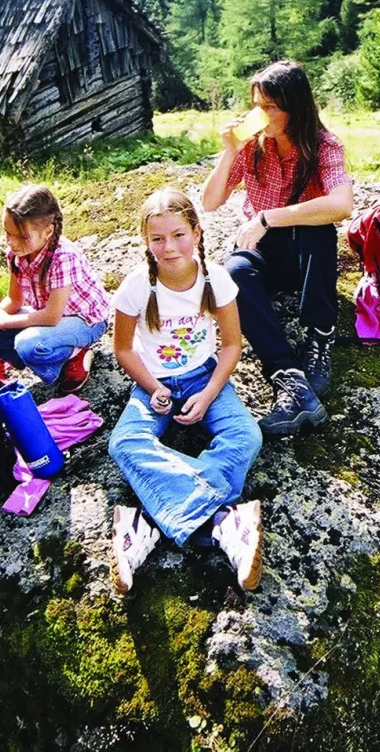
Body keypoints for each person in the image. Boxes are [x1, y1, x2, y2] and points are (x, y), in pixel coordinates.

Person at [107, 187, 263, 594]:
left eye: (178, 234)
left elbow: (232, 345)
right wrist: (153, 387)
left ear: (196, 231)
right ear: (146, 241)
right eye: (157, 238)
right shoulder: (136, 287)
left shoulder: (217, 280)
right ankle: (223, 523)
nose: (168, 246)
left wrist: (210, 393)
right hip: (154, 384)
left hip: (203, 377)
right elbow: (123, 349)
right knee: (124, 443)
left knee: (246, 435)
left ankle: (147, 523)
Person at [202, 61, 354, 436]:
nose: (261, 115)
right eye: (257, 105)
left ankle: (319, 338)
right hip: (263, 252)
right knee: (232, 273)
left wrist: (268, 217)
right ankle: (289, 378)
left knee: (318, 232)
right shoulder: (253, 146)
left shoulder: (323, 145)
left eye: (270, 107)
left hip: (304, 253)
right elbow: (209, 201)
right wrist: (229, 151)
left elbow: (342, 205)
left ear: (295, 107)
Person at [0, 184, 111, 395]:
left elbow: (51, 316)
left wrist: (6, 322)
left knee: (27, 344)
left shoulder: (63, 257)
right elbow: (14, 300)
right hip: (51, 319)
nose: (11, 242)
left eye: (21, 236)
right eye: (7, 233)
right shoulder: (16, 256)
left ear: (48, 231)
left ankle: (75, 355)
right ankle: (53, 354)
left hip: (85, 321)